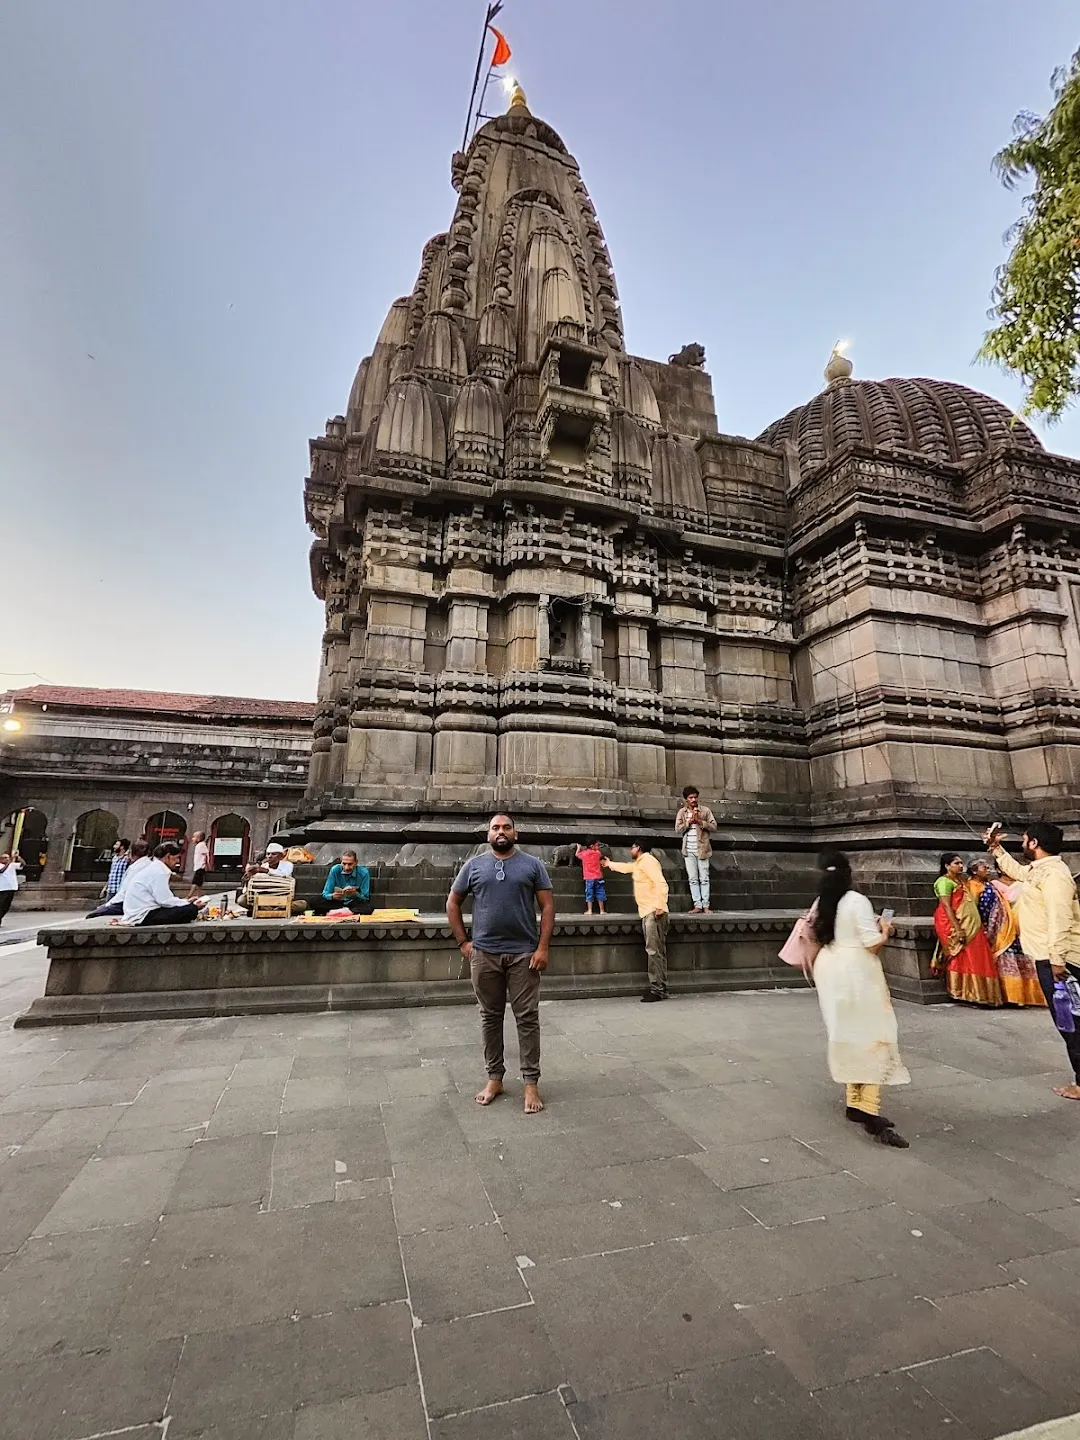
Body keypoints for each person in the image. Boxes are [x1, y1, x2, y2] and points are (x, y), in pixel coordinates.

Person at [446, 814, 554, 1114]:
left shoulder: (532, 865)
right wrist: (463, 942)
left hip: (523, 954)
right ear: (488, 834)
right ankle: (495, 1077)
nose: (501, 832)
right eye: (495, 828)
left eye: (506, 827)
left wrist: (542, 948)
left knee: (527, 1018)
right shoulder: (474, 865)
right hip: (484, 954)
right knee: (490, 1017)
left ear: (515, 834)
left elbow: (547, 906)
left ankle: (530, 1082)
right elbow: (452, 902)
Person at [810, 850, 910, 1147]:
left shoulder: (821, 902)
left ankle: (854, 1101)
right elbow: (871, 945)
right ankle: (869, 1109)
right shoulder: (856, 901)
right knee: (873, 1035)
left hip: (829, 969)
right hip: (856, 973)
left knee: (846, 1034)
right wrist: (885, 930)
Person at [984, 821, 1080, 1100]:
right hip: (1048, 957)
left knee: (1071, 1022)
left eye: (1025, 840)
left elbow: (1060, 918)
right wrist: (995, 848)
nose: (1023, 844)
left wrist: (1058, 960)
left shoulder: (1055, 876)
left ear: (1035, 844)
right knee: (1069, 1022)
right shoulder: (1039, 871)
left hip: (1060, 960)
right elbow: (1017, 872)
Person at [967, 858, 1045, 1008]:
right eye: (984, 867)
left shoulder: (1011, 884)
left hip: (1017, 925)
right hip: (998, 928)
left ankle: (1023, 995)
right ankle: (1008, 996)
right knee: (1004, 960)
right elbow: (979, 908)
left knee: (1020, 959)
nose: (987, 869)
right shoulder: (983, 886)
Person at [603, 841, 670, 1002]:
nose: (630, 850)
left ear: (638, 848)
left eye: (632, 847)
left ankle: (657, 989)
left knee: (654, 951)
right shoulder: (641, 863)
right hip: (649, 911)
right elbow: (628, 868)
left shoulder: (648, 861)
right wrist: (609, 864)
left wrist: (660, 905)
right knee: (657, 952)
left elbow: (660, 882)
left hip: (654, 911)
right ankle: (660, 988)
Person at [931, 853, 1003, 1005]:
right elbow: (946, 906)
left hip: (972, 925)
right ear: (946, 866)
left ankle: (980, 994)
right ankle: (962, 992)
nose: (960, 866)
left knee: (977, 955)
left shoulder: (961, 881)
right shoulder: (944, 881)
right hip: (953, 924)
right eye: (956, 863)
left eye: (961, 863)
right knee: (962, 956)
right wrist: (958, 929)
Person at [122, 842, 202, 926]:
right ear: (167, 856)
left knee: (185, 909)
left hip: (140, 912)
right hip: (142, 915)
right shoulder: (159, 871)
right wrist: (190, 905)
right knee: (189, 910)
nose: (178, 861)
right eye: (176, 858)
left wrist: (185, 901)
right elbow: (164, 900)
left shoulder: (155, 867)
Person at [675, 786, 717, 913]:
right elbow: (677, 829)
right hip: (688, 849)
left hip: (702, 849)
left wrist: (699, 821)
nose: (693, 800)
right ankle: (697, 905)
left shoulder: (705, 811)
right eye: (690, 797)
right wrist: (688, 823)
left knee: (704, 878)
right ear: (686, 799)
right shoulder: (682, 812)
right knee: (693, 879)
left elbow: (714, 826)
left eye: (695, 797)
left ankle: (706, 905)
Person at [87, 839, 152, 918]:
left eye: (117, 845)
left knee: (108, 910)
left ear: (122, 847)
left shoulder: (128, 860)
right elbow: (111, 874)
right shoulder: (115, 858)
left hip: (121, 891)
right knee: (108, 910)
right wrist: (106, 887)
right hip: (112, 888)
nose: (114, 846)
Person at [311, 850, 373, 915]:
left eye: (350, 864)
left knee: (368, 908)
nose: (346, 868)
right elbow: (325, 893)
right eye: (344, 863)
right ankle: (346, 912)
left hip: (352, 903)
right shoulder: (335, 870)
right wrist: (332, 896)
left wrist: (355, 894)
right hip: (336, 902)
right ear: (341, 862)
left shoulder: (364, 873)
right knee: (314, 901)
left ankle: (336, 912)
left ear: (356, 862)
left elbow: (365, 897)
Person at [575, 839, 607, 915]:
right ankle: (602, 910)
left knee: (589, 893)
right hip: (598, 877)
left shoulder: (584, 854)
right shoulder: (598, 853)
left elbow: (577, 855)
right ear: (592, 846)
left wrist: (578, 848)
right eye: (597, 845)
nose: (598, 847)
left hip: (589, 878)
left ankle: (589, 910)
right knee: (600, 893)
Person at [0, 851, 23, 926]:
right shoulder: (1, 865)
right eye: (5, 858)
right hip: (2, 889)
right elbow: (2, 871)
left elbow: (23, 864)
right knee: (1, 904)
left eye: (8, 857)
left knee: (6, 905)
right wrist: (10, 861)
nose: (7, 859)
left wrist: (18, 858)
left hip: (11, 887)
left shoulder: (12, 865)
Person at [189, 831, 211, 898]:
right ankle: (199, 895)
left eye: (194, 837)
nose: (192, 838)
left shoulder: (201, 845)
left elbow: (207, 855)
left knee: (195, 882)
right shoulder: (199, 845)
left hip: (200, 867)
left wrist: (208, 864)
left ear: (198, 838)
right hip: (198, 867)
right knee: (199, 883)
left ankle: (189, 895)